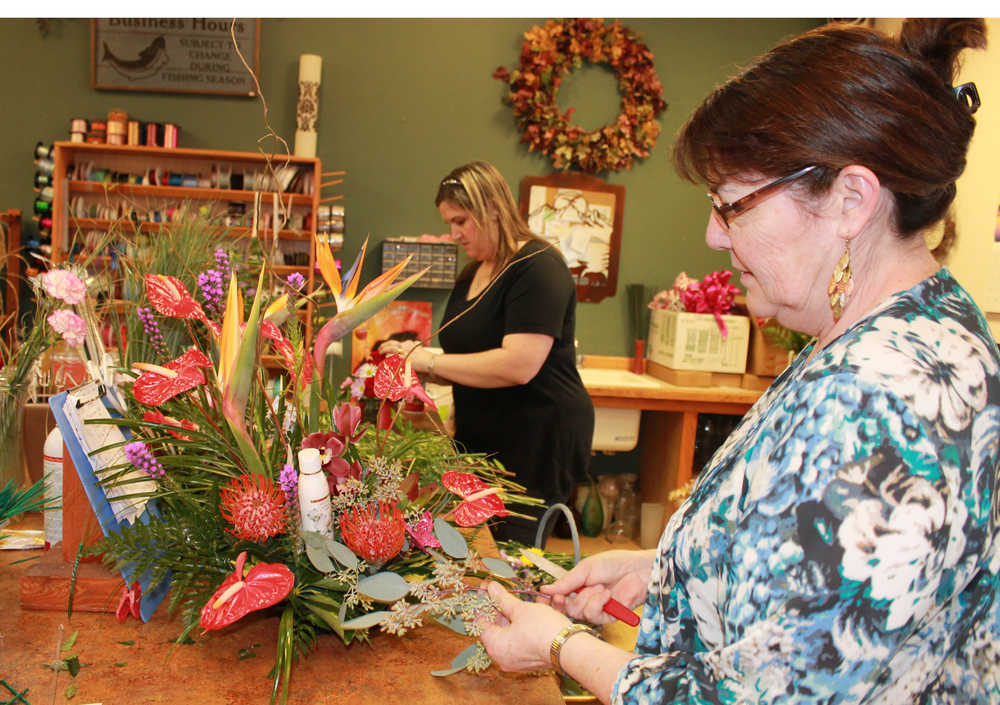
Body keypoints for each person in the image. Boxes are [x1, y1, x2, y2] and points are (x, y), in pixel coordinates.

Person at [477, 19, 1000, 704]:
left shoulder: (886, 402)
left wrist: (557, 644)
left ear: (851, 199)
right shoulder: (886, 332)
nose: (712, 233)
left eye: (732, 206)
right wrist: (664, 568)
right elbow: (809, 571)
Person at [380, 160, 594, 544]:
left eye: (461, 221)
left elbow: (518, 364)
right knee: (480, 547)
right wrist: (415, 360)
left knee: (514, 550)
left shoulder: (537, 268)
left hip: (535, 438)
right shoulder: (473, 272)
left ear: (493, 209)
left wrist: (428, 359)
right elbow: (469, 357)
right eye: (449, 222)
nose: (454, 233)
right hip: (485, 435)